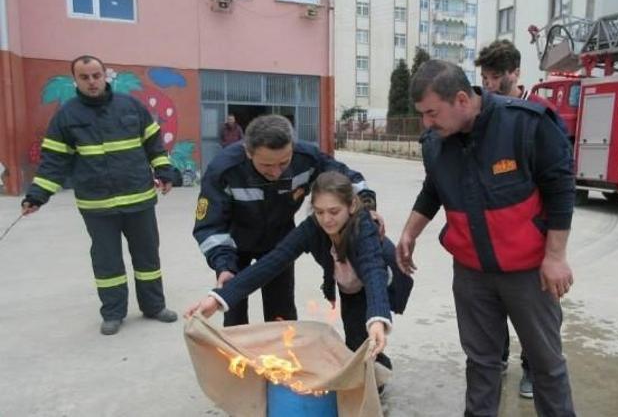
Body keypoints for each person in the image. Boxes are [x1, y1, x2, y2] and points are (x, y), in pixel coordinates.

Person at [397, 59, 576, 417]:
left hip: (528, 273)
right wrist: (410, 231)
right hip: (471, 273)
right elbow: (434, 188)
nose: (427, 123)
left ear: (462, 99)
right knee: (481, 363)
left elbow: (560, 188)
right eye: (423, 115)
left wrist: (555, 256)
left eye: (432, 113)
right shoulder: (436, 142)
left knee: (546, 365)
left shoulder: (524, 125)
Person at [186, 171, 412, 372]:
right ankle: (371, 369)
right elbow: (271, 262)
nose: (327, 219)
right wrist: (218, 299)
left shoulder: (364, 227)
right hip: (350, 283)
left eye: (334, 211)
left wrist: (378, 319)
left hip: (383, 280)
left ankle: (377, 379)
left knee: (368, 336)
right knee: (356, 341)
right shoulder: (312, 228)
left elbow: (374, 272)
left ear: (352, 206)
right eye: (320, 211)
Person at [22, 55, 179, 336]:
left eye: (96, 75)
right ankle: (113, 313)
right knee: (107, 262)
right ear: (76, 80)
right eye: (85, 77)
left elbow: (153, 144)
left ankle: (154, 306)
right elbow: (53, 161)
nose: (92, 81)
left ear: (105, 75)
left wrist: (165, 172)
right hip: (97, 205)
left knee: (147, 259)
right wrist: (37, 195)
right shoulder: (66, 117)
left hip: (138, 200)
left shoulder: (131, 106)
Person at [193, 115, 379, 328]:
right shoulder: (224, 170)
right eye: (266, 165)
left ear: (292, 148)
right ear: (248, 152)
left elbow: (349, 180)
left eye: (284, 162)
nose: (276, 171)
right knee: (232, 306)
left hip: (281, 242)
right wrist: (224, 265)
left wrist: (368, 209)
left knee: (281, 312)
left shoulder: (306, 158)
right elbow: (210, 226)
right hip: (234, 247)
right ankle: (239, 356)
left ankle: (281, 356)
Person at [475, 38, 569, 399]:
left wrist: (554, 249)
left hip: (535, 233)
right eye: (484, 76)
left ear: (515, 73)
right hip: (494, 233)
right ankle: (497, 358)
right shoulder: (485, 115)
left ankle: (534, 369)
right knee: (492, 303)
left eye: (495, 76)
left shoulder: (541, 114)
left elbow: (560, 178)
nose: (488, 84)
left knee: (540, 311)